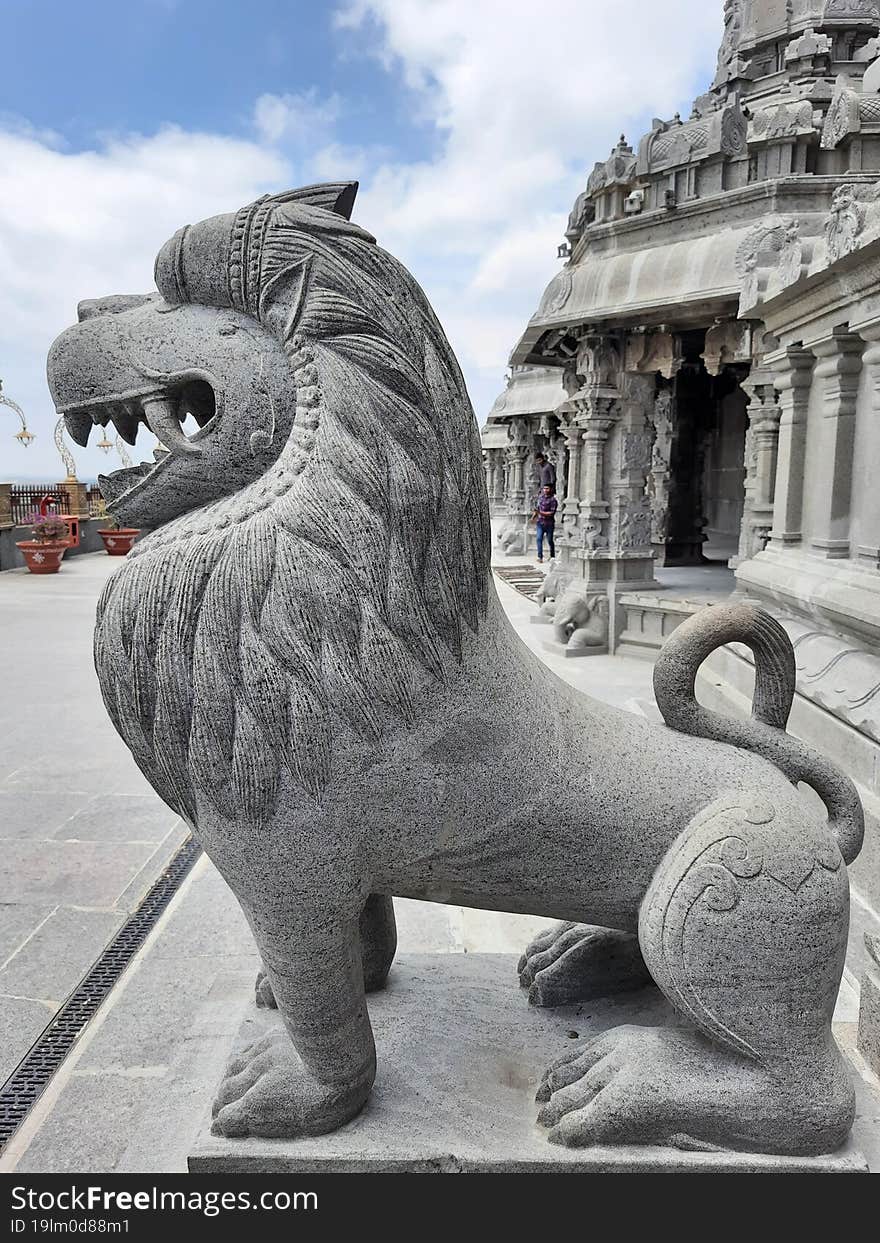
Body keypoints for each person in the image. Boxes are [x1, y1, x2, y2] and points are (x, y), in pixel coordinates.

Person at [533, 484, 558, 563]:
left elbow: (551, 513)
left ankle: (552, 555)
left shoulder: (553, 500)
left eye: (547, 488)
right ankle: (540, 556)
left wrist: (540, 513)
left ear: (550, 489)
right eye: (544, 489)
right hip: (540, 522)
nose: (545, 490)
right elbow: (537, 509)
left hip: (549, 523)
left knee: (550, 540)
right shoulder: (541, 498)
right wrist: (533, 517)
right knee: (539, 538)